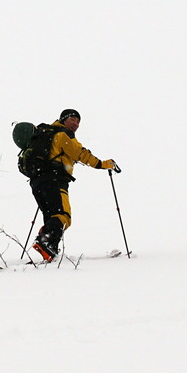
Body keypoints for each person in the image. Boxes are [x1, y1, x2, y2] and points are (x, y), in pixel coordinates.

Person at [30, 108, 119, 262]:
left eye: (78, 121)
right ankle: (44, 241)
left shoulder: (48, 135)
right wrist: (102, 164)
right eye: (73, 119)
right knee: (63, 215)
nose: (76, 124)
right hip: (55, 180)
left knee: (51, 216)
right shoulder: (63, 134)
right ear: (64, 119)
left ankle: (50, 251)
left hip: (38, 181)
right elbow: (80, 153)